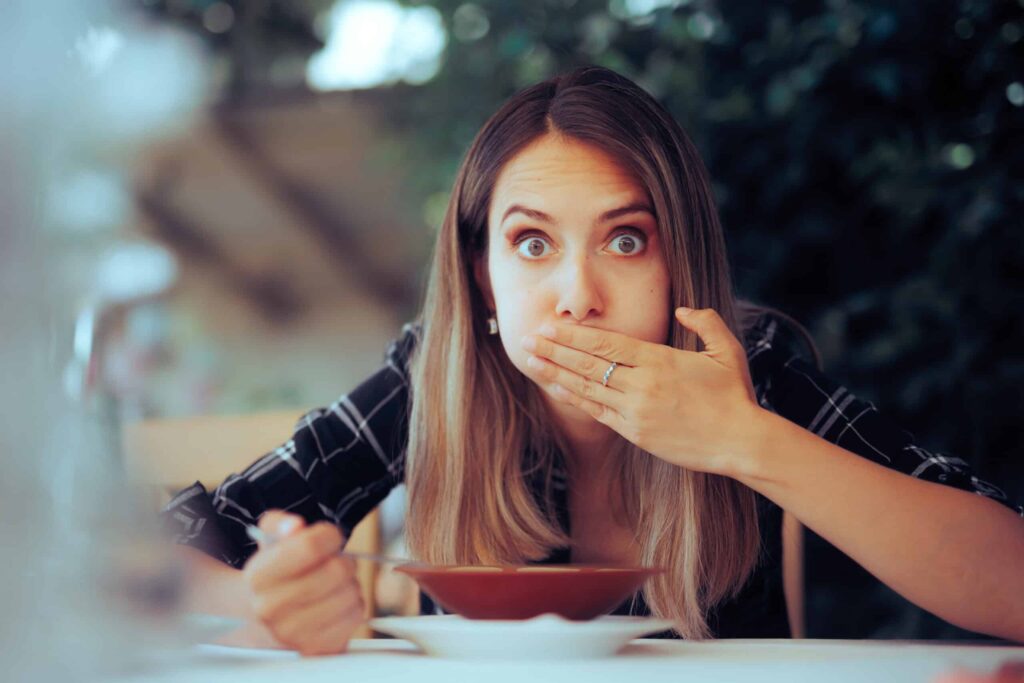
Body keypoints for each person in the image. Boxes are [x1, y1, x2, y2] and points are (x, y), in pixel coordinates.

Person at [162, 66, 1024, 656]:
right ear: (483, 277)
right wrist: (265, 601)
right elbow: (172, 553)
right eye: (532, 243)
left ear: (678, 259)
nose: (577, 293)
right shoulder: (437, 376)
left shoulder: (747, 370)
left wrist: (748, 439)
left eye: (625, 238)